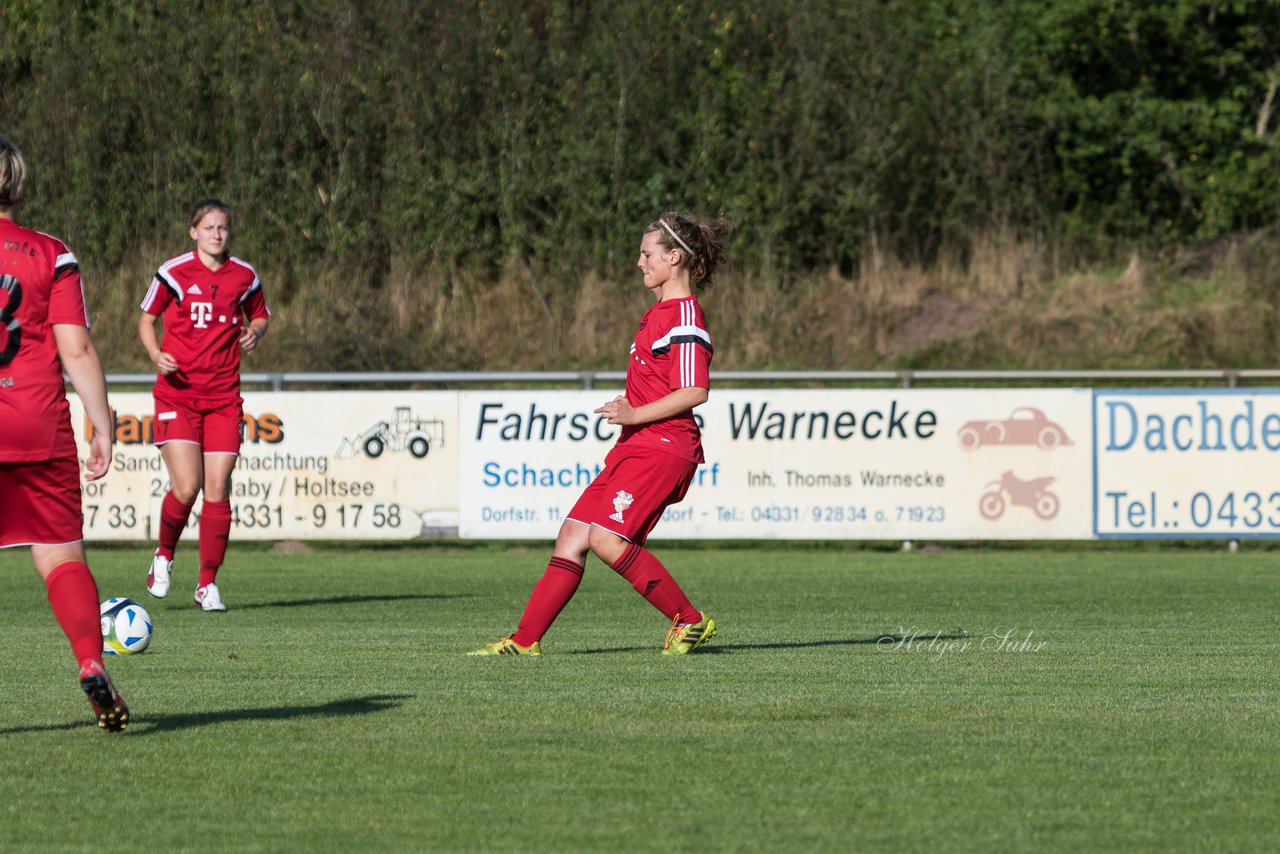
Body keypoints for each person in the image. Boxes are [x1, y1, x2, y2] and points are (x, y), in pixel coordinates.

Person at [470, 211, 731, 656]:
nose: (639, 262)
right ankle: (523, 641)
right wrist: (633, 417)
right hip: (638, 445)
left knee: (607, 539)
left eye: (647, 254)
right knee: (573, 536)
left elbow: (694, 391)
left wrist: (634, 414)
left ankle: (689, 621)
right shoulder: (659, 313)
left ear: (674, 257)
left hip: (663, 447)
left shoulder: (684, 316)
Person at [0, 134, 129, 730]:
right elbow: (75, 350)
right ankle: (88, 661)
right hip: (38, 427)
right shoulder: (51, 254)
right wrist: (102, 425)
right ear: (18, 183)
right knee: (60, 557)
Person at [138, 198, 270, 612]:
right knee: (187, 486)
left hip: (223, 398)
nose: (217, 233)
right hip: (177, 394)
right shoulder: (173, 272)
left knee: (217, 490)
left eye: (223, 228)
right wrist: (155, 353)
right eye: (209, 227)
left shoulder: (244, 276)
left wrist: (256, 332)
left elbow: (262, 314)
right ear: (193, 231)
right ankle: (163, 555)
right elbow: (145, 318)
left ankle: (207, 585)